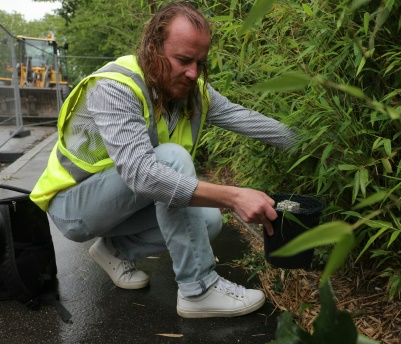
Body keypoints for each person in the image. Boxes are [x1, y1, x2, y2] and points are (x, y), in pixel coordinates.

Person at [30, 1, 296, 318]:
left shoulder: (195, 93)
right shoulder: (116, 86)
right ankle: (198, 290)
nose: (193, 73)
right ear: (153, 48)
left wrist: (313, 145)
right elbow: (143, 174)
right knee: (170, 158)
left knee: (208, 219)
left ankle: (115, 250)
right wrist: (233, 196)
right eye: (183, 60)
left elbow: (251, 121)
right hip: (74, 205)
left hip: (123, 203)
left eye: (200, 62)